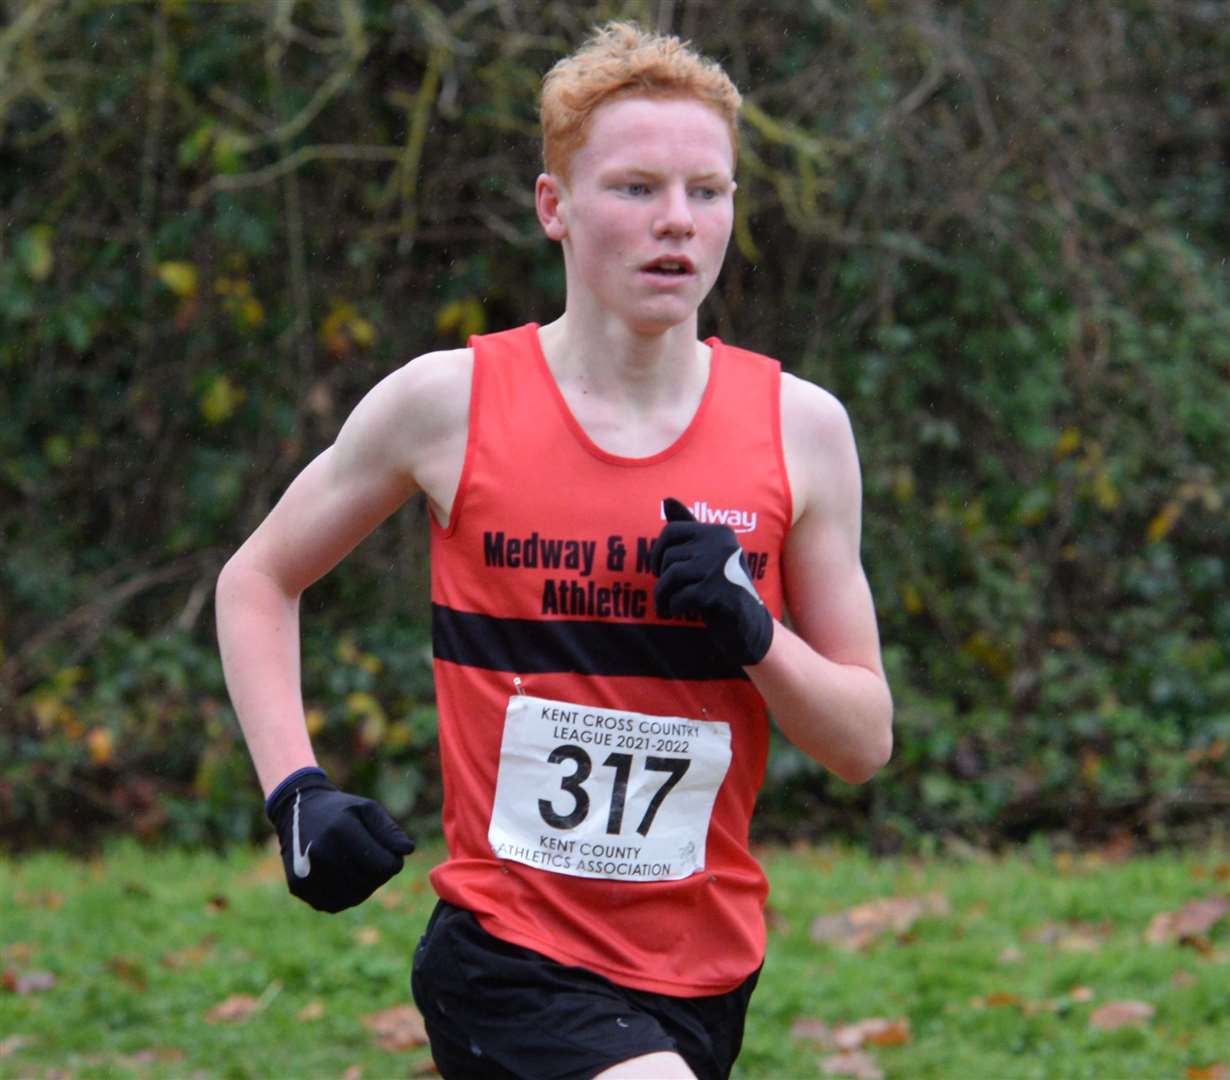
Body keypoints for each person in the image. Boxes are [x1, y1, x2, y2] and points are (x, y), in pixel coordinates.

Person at [215, 20, 893, 1080]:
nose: (677, 221)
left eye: (707, 192)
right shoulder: (448, 405)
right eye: (634, 188)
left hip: (706, 966)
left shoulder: (801, 431)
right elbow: (258, 577)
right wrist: (295, 789)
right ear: (554, 208)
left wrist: (757, 633)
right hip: (508, 956)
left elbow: (863, 741)